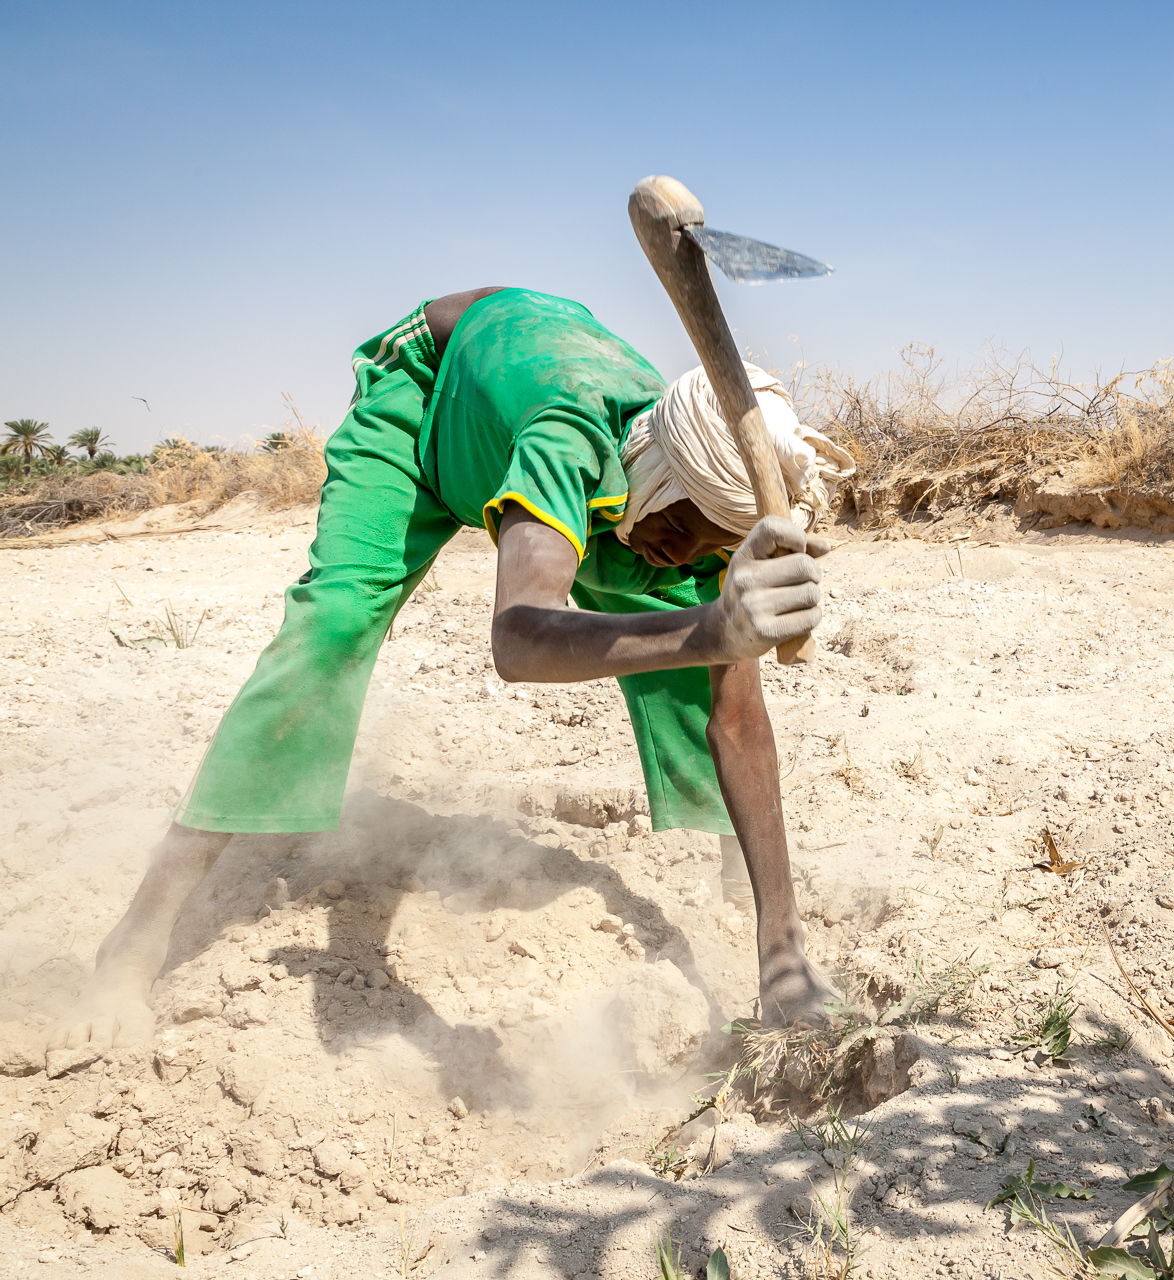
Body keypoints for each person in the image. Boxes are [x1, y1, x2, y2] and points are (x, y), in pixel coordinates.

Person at [50, 286, 856, 1055]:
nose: (687, 553)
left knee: (696, 652)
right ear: (651, 469)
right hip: (428, 402)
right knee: (331, 629)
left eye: (713, 545)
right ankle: (135, 940)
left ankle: (750, 894)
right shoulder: (569, 436)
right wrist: (709, 624)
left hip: (614, 471)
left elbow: (740, 714)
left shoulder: (711, 507)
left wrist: (782, 961)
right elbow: (518, 640)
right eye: (683, 526)